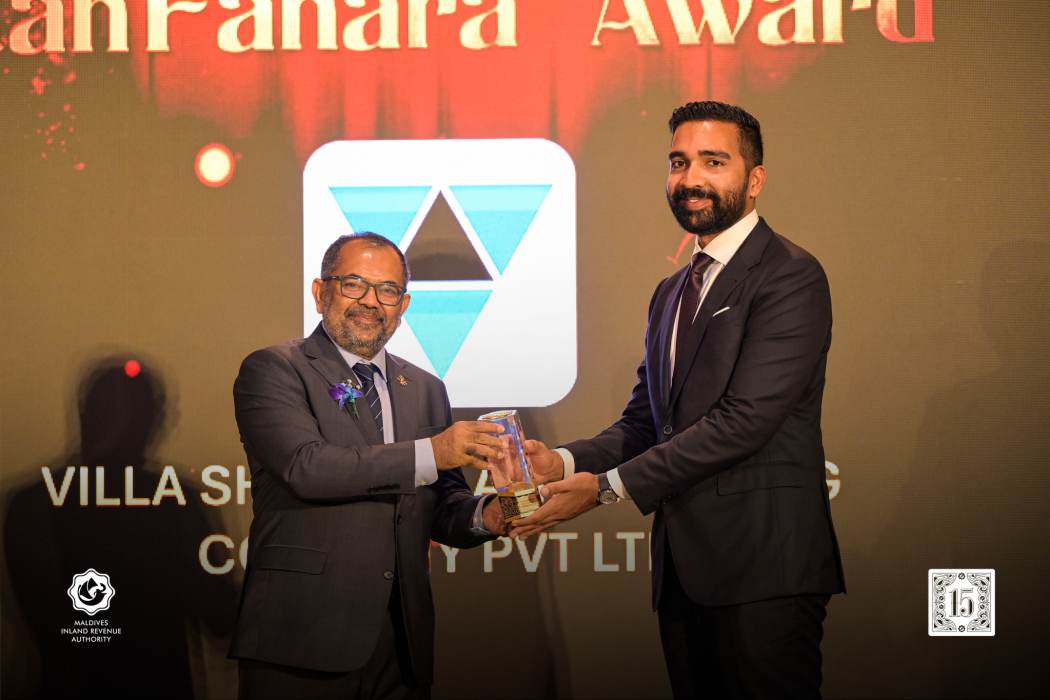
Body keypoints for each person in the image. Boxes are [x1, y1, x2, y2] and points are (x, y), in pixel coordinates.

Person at [514, 101, 846, 698]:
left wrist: (605, 488)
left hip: (764, 571)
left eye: (713, 162)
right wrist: (561, 463)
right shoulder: (671, 291)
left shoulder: (790, 276)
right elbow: (647, 423)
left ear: (755, 179)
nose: (691, 178)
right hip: (683, 575)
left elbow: (743, 422)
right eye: (679, 162)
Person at [229, 232, 506, 700]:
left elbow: (442, 505)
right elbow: (307, 467)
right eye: (354, 284)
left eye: (388, 290)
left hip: (401, 643)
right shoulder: (275, 369)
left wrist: (491, 514)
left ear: (404, 304)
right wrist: (433, 452)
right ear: (321, 292)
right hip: (301, 637)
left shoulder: (426, 388)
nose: (371, 301)